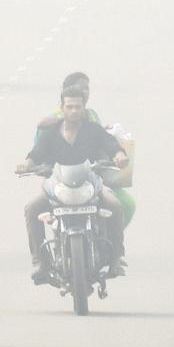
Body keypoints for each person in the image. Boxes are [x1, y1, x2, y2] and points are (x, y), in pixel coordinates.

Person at [16, 82, 130, 282]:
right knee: (32, 208)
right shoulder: (50, 133)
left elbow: (111, 144)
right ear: (62, 108)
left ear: (84, 108)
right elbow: (36, 153)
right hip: (57, 184)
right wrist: (26, 164)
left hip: (91, 183)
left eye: (78, 107)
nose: (74, 111)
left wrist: (119, 154)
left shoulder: (93, 130)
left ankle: (116, 258)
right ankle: (39, 261)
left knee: (114, 204)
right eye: (69, 106)